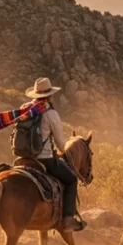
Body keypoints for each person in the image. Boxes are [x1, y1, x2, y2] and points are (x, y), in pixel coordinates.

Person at [24, 77, 85, 232]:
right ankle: (68, 220)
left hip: (23, 159)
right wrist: (64, 149)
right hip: (44, 159)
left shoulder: (25, 108)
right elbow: (60, 144)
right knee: (71, 179)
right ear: (50, 95)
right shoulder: (50, 114)